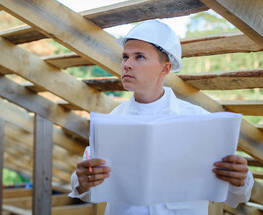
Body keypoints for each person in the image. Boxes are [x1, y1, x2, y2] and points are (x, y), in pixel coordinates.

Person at [68, 20, 254, 215]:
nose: (127, 65)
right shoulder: (112, 121)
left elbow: (238, 195)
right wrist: (82, 182)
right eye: (125, 57)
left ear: (165, 68)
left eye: (139, 57)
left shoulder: (199, 121)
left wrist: (241, 178)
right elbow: (86, 191)